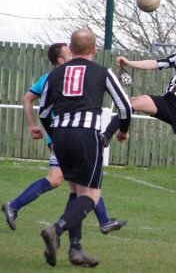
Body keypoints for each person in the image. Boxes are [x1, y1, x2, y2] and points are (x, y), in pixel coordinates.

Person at [1, 43, 127, 237]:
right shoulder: (52, 78)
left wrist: (36, 126)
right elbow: (27, 99)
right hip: (65, 135)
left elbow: (32, 103)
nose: (73, 54)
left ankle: (101, 222)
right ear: (60, 60)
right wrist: (32, 125)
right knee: (59, 180)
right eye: (68, 52)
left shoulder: (70, 75)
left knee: (79, 180)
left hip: (62, 136)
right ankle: (16, 206)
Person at [102, 24, 176, 224]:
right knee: (132, 103)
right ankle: (105, 137)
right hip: (168, 102)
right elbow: (155, 64)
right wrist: (129, 63)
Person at [38, 29, 132, 267]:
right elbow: (125, 108)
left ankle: (76, 249)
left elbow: (44, 112)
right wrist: (122, 130)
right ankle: (56, 229)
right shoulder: (102, 72)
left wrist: (55, 136)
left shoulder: (55, 74)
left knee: (75, 192)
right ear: (94, 49)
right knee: (90, 196)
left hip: (60, 136)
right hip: (86, 137)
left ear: (71, 48)